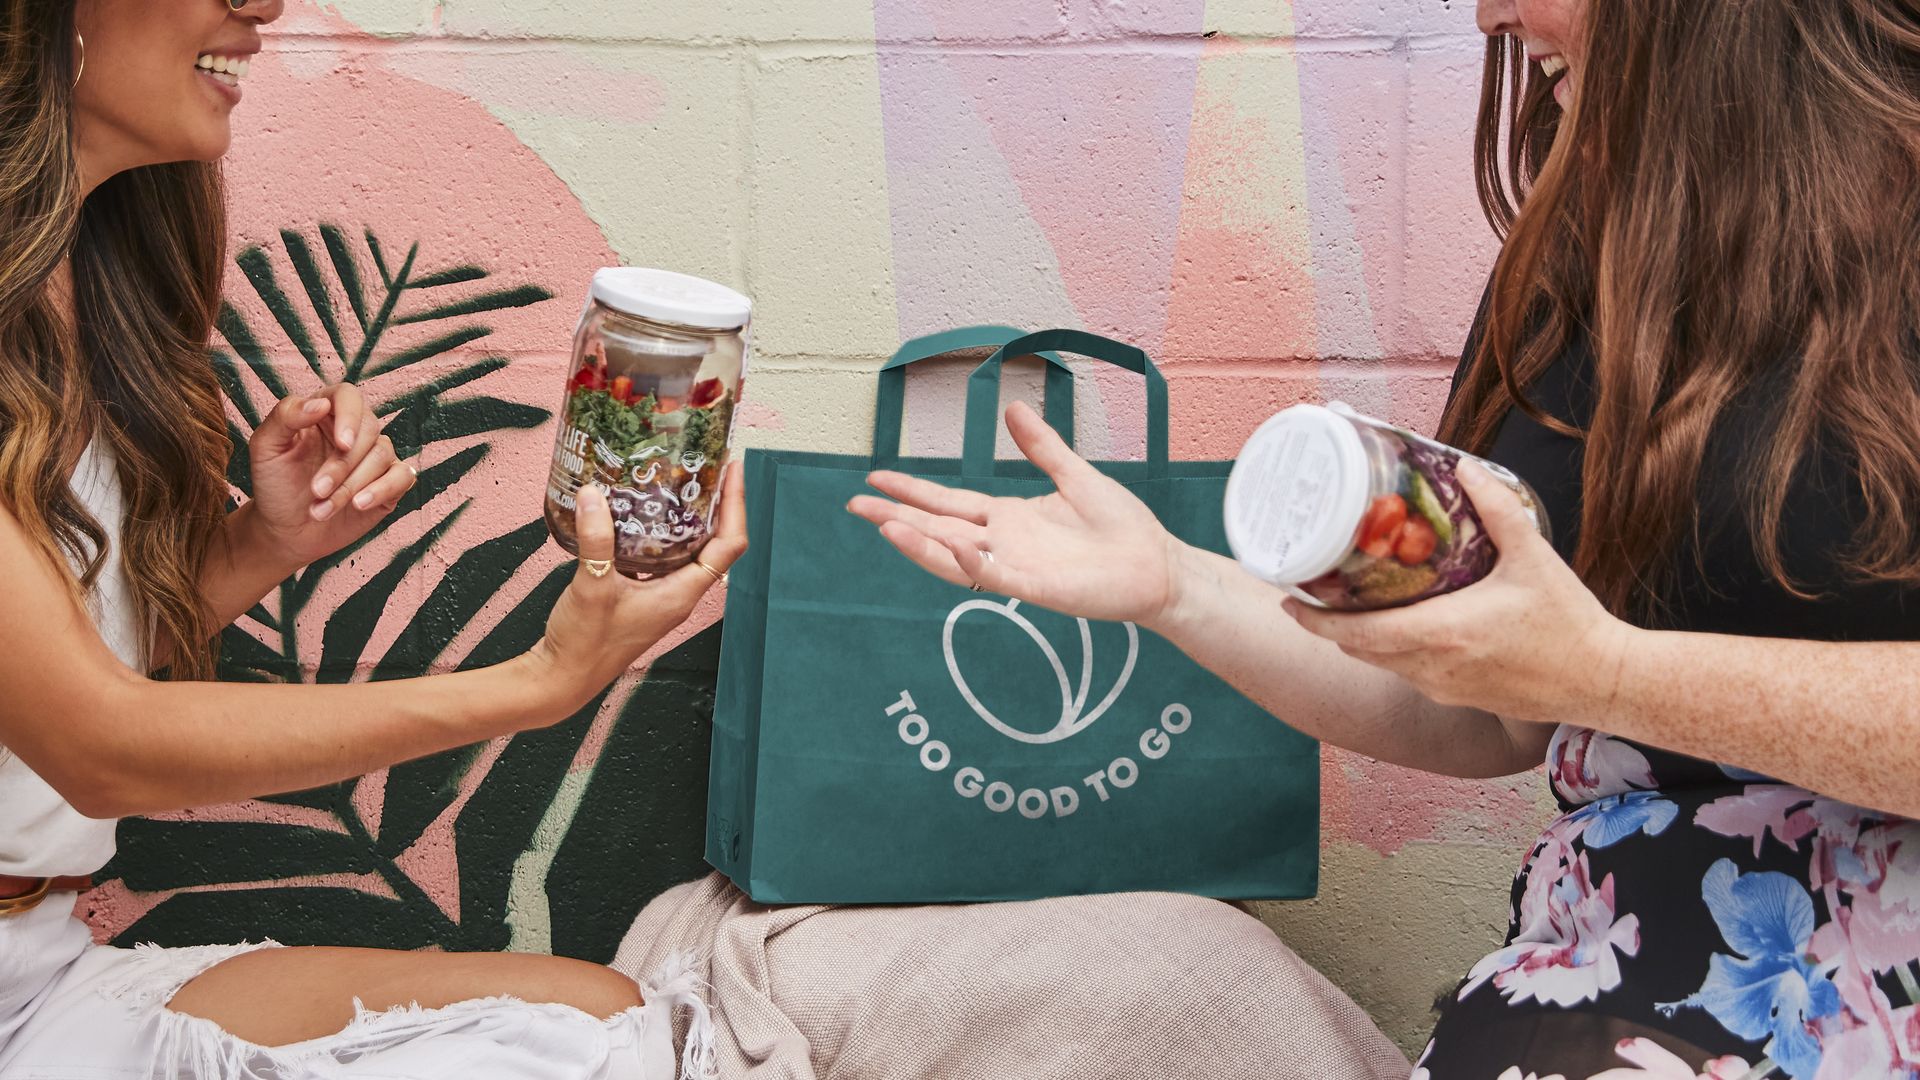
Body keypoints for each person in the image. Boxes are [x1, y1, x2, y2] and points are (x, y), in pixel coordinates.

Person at [854, 0, 1920, 1075]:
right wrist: (1172, 586)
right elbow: (1486, 715)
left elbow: (1586, 678)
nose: (1486, 11)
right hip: (1616, 966)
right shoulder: (1580, 268)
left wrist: (1611, 672)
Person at [0, 1, 748, 1076]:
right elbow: (97, 748)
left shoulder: (86, 286)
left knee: (597, 1023)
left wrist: (264, 544)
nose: (261, 4)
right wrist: (545, 680)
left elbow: (42, 685)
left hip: (46, 964)